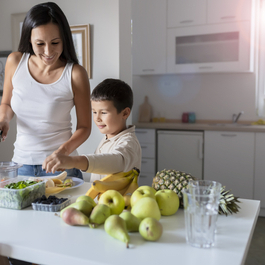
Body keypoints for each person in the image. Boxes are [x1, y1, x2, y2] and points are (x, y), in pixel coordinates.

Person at [0, 2, 91, 180]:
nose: (48, 51)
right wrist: (3, 120)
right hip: (21, 164)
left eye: (55, 42)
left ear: (64, 39)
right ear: (29, 40)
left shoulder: (75, 74)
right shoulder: (15, 62)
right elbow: (7, 103)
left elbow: (85, 127)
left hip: (61, 167)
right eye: (40, 43)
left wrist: (62, 152)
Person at [43, 78, 142, 181]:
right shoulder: (109, 137)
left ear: (125, 113)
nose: (97, 118)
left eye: (103, 112)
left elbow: (114, 161)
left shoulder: (129, 143)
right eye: (94, 112)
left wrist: (73, 161)